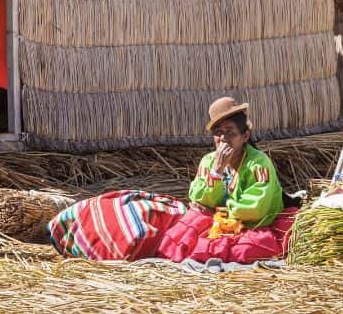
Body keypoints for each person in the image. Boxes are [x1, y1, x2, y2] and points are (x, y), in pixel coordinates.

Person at [48, 97, 296, 263]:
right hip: (219, 220)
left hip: (254, 223)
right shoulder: (210, 161)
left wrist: (223, 210)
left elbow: (258, 206)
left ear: (246, 135)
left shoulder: (258, 163)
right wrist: (217, 172)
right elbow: (198, 198)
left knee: (246, 248)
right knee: (176, 242)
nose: (223, 140)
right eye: (218, 134)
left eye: (230, 133)